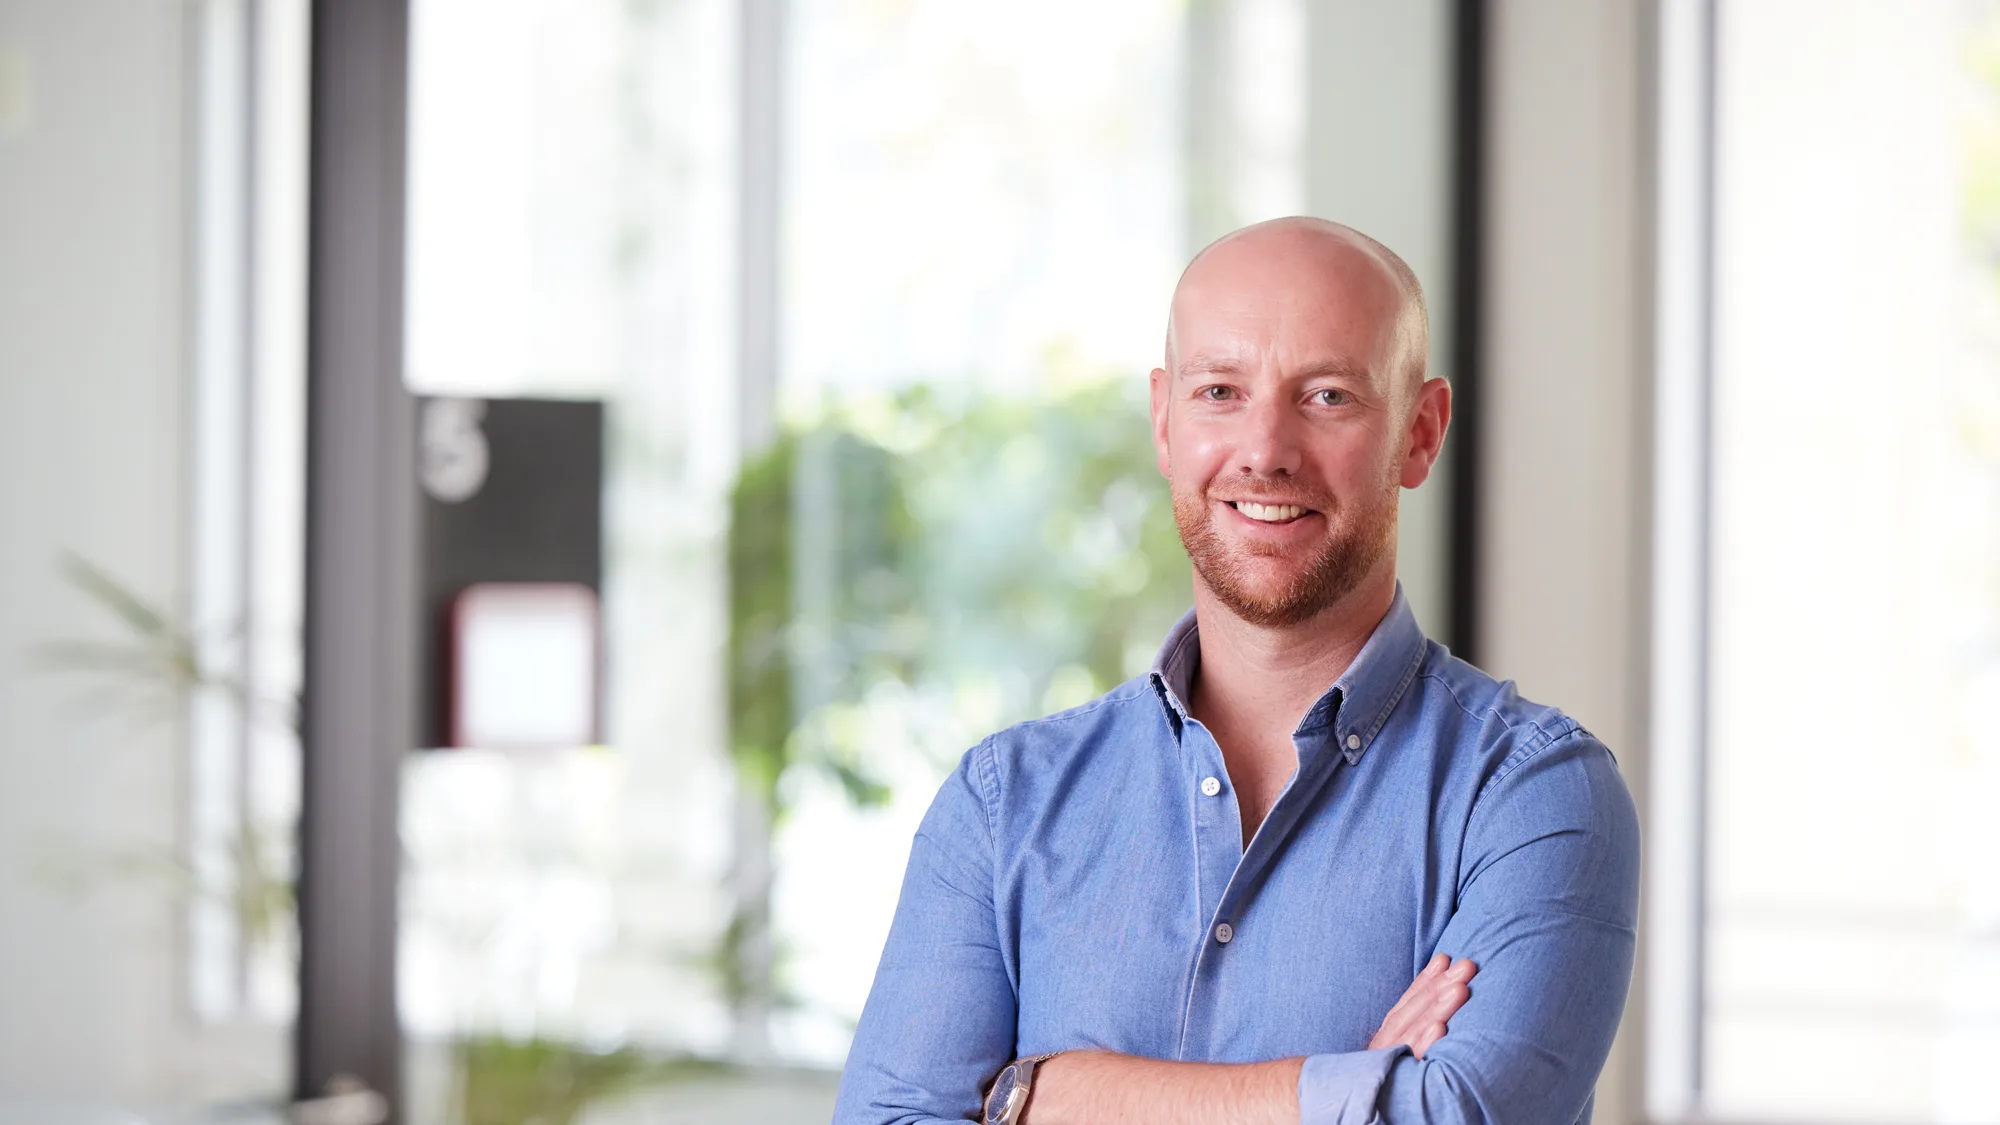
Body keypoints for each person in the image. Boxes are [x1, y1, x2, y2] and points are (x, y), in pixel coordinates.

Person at [831, 217, 1641, 1125]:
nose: (1265, 450)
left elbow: (1460, 1115)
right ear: (1165, 422)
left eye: (1328, 396)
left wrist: (1049, 1096)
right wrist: (1350, 1091)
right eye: (1220, 390)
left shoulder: (1534, 794)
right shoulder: (1001, 805)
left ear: (1420, 433)